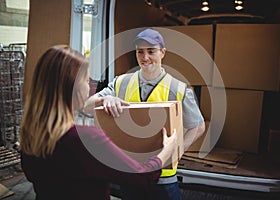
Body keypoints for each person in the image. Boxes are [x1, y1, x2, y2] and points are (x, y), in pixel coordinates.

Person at [20, 45, 178, 200]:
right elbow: (141, 177)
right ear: (73, 88)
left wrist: (103, 99)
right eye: (86, 80)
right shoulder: (85, 139)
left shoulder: (30, 135)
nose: (89, 87)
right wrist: (165, 152)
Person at [84, 28, 205, 200]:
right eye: (140, 52)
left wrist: (176, 151)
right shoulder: (120, 83)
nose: (145, 57)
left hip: (163, 177)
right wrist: (105, 100)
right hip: (130, 173)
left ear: (162, 53)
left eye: (151, 51)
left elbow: (198, 126)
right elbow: (87, 106)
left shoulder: (179, 88)